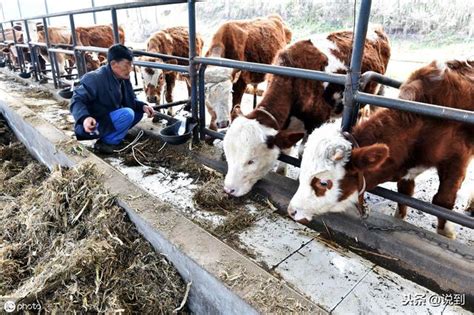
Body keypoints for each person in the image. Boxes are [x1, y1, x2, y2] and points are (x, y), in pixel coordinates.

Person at [70, 44, 154, 154]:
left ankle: (114, 134)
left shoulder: (123, 78)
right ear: (113, 64)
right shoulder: (94, 78)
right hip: (93, 124)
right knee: (128, 113)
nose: (130, 69)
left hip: (109, 118)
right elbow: (76, 100)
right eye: (127, 65)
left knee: (138, 111)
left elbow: (131, 100)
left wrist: (143, 106)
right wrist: (85, 118)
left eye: (131, 65)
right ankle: (106, 142)